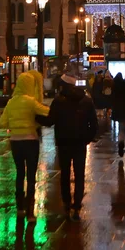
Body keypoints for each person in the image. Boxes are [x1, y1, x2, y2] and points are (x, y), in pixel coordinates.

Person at [36, 73, 98, 221]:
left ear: (63, 86)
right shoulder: (86, 100)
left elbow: (50, 121)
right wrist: (87, 138)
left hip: (63, 142)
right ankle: (77, 206)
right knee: (79, 174)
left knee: (64, 174)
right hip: (79, 143)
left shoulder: (58, 101)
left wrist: (35, 117)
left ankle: (66, 203)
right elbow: (94, 124)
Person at [0, 71, 50, 222]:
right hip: (31, 140)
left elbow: (2, 123)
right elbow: (47, 112)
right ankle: (30, 211)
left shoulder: (11, 102)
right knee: (31, 175)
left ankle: (19, 207)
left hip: (15, 142)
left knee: (20, 173)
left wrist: (13, 125)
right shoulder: (30, 101)